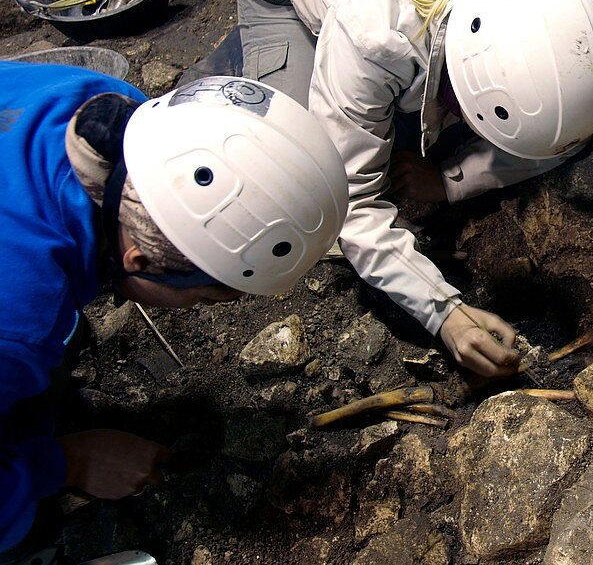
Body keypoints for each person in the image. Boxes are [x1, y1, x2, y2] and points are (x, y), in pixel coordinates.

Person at [234, 0, 593, 378]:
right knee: (299, 191)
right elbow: (351, 202)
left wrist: (450, 180)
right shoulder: (373, 39)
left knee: (394, 129)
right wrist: (445, 314)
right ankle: (251, 73)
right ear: (461, 92)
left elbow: (575, 125)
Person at [0, 63, 348, 560]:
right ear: (135, 260)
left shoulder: (124, 116)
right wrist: (66, 464)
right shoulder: (17, 322)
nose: (198, 311)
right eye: (203, 299)